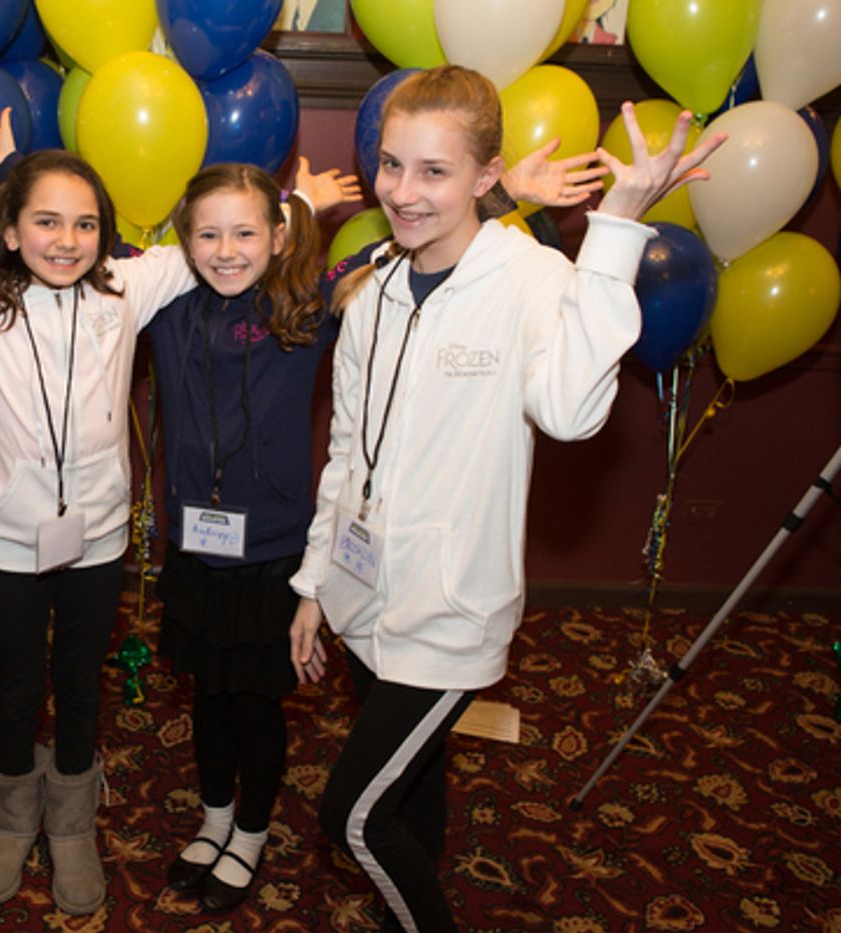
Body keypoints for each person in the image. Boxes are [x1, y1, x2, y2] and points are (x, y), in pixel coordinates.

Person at [287, 65, 725, 931]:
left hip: (450, 612)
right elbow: (346, 449)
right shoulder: (375, 286)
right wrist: (312, 583)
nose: (402, 192)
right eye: (391, 165)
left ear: (487, 174)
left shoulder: (532, 278)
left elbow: (569, 412)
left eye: (434, 171)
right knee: (413, 792)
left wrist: (616, 230)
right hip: (363, 591)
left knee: (354, 819)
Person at [146, 160, 358, 912]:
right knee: (209, 694)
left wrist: (511, 200)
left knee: (256, 703)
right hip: (195, 548)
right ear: (185, 242)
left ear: (277, 237)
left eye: (245, 233)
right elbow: (68, 246)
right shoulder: (167, 309)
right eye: (208, 235)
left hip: (271, 554)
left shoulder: (303, 308)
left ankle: (252, 831)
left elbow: (411, 253)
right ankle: (214, 819)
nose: (226, 250)